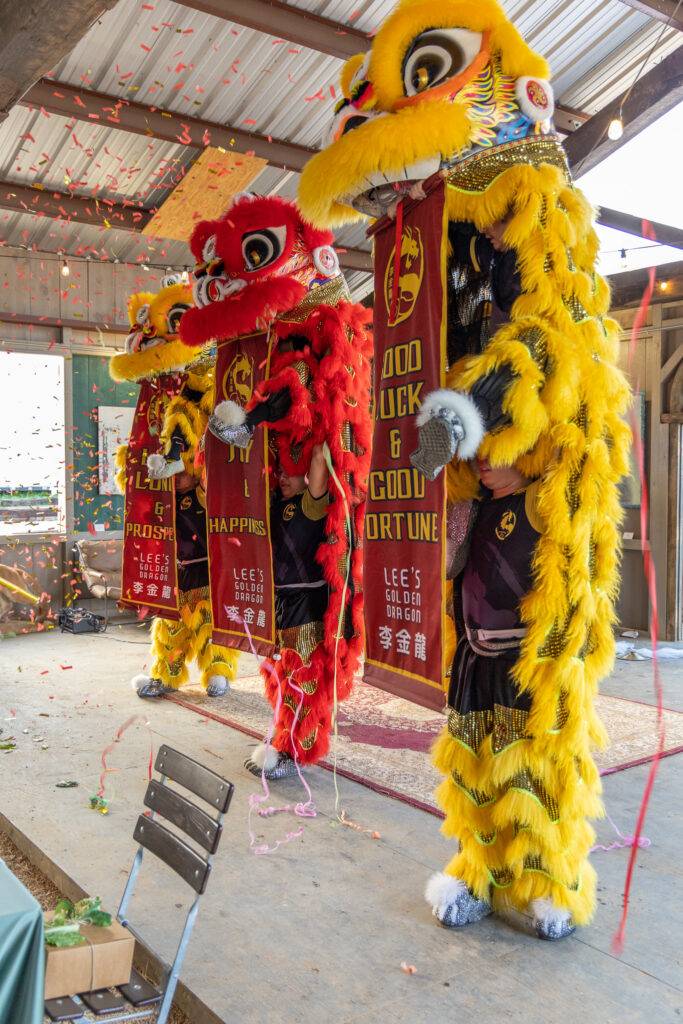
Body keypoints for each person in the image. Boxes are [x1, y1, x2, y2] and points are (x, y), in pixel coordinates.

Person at [426, 455, 581, 940]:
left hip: (524, 668)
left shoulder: (543, 499)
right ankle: (479, 876)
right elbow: (446, 566)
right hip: (473, 663)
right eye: (479, 443)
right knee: (473, 778)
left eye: (500, 439)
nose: (486, 457)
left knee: (528, 782)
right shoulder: (468, 504)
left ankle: (546, 884)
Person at [244, 444, 332, 779]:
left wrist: (321, 450)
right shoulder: (274, 506)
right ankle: (283, 739)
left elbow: (320, 462)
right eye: (279, 470)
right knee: (279, 680)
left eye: (289, 470)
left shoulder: (311, 505)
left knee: (303, 684)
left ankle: (295, 753)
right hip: (278, 606)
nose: (282, 477)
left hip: (305, 608)